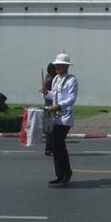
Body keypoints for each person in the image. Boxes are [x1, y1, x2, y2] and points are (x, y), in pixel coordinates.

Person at [41, 53, 78, 186]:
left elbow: (71, 98)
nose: (57, 67)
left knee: (58, 144)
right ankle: (60, 174)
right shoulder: (56, 78)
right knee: (56, 146)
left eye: (60, 65)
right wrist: (47, 93)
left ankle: (66, 173)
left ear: (66, 66)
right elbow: (55, 96)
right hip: (54, 115)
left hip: (65, 117)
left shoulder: (71, 80)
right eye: (56, 65)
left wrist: (59, 106)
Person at [43, 62, 55, 156]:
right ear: (51, 70)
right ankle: (49, 149)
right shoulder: (50, 80)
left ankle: (49, 149)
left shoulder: (48, 78)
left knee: (49, 130)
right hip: (50, 106)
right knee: (50, 131)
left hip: (48, 106)